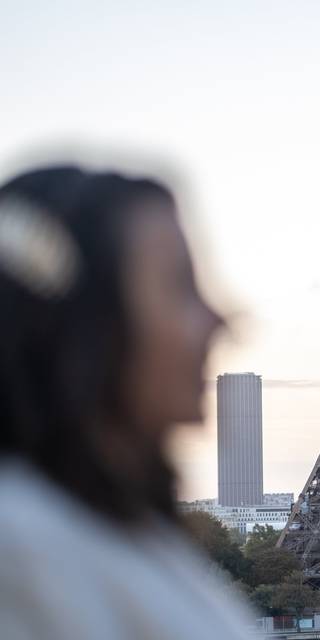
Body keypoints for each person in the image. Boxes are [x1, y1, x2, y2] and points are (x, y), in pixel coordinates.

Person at [0, 166, 253, 638]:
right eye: (181, 286)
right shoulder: (23, 548)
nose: (219, 319)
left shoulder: (116, 535)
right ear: (85, 323)